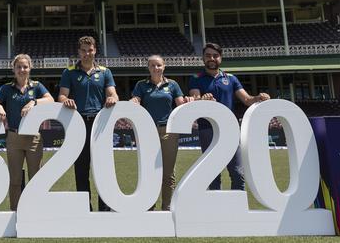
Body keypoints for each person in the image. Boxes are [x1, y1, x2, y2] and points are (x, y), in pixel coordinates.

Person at [188, 42, 270, 190]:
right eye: (208, 55)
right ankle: (215, 211)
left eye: (215, 55)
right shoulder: (196, 77)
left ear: (221, 58)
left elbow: (247, 100)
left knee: (238, 173)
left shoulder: (231, 78)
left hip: (230, 130)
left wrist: (258, 97)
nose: (211, 58)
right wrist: (202, 100)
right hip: (207, 130)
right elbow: (194, 100)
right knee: (212, 175)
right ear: (203, 58)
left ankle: (237, 210)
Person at [58, 36, 118, 211]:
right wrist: (66, 100)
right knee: (81, 169)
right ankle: (85, 209)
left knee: (102, 167)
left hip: (100, 124)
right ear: (79, 52)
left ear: (95, 50)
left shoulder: (105, 72)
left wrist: (112, 98)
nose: (86, 53)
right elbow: (61, 96)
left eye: (89, 50)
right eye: (83, 50)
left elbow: (113, 94)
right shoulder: (69, 72)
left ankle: (105, 209)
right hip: (79, 124)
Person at [0, 54, 54, 210]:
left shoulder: (37, 86)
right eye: (19, 67)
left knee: (36, 177)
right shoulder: (6, 88)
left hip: (34, 138)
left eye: (25, 67)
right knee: (15, 179)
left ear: (30, 68)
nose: (22, 70)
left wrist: (34, 101)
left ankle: (36, 210)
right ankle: (15, 211)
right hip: (14, 137)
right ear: (13, 69)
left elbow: (50, 99)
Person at [131, 55, 192, 211]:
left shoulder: (173, 85)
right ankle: (149, 207)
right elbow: (136, 100)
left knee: (168, 172)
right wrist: (134, 101)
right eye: (152, 65)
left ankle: (167, 207)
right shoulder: (141, 85)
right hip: (147, 131)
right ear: (148, 68)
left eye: (158, 65)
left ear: (164, 66)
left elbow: (180, 105)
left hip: (168, 131)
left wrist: (187, 101)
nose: (155, 68)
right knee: (149, 172)